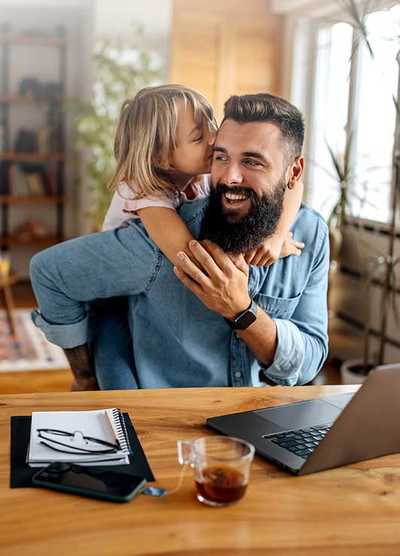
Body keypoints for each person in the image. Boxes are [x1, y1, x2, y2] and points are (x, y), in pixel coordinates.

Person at [30, 92, 329, 390]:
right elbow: (193, 257)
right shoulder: (157, 217)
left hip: (262, 418)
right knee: (112, 362)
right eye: (221, 156)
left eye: (252, 161)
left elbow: (309, 363)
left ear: (293, 170)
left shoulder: (309, 233)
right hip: (162, 408)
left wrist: (275, 238)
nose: (229, 176)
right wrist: (83, 375)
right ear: (163, 156)